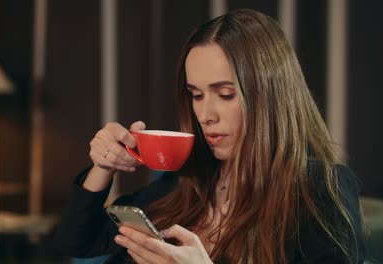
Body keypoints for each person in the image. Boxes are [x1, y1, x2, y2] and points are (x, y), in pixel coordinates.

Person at [53, 9, 365, 263]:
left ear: (270, 96)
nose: (205, 115)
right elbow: (76, 241)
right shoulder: (189, 179)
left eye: (225, 94)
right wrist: (103, 166)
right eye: (196, 95)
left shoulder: (320, 189)